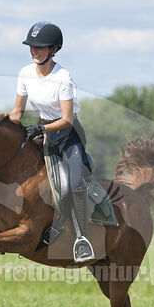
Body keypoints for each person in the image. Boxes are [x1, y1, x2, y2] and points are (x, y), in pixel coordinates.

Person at [10, 21, 94, 263]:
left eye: (40, 47)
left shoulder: (63, 77)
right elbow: (17, 112)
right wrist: (2, 125)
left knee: (72, 184)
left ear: (54, 49)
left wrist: (41, 128)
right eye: (32, 47)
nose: (34, 51)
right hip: (42, 132)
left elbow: (67, 119)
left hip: (67, 135)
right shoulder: (25, 73)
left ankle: (81, 238)